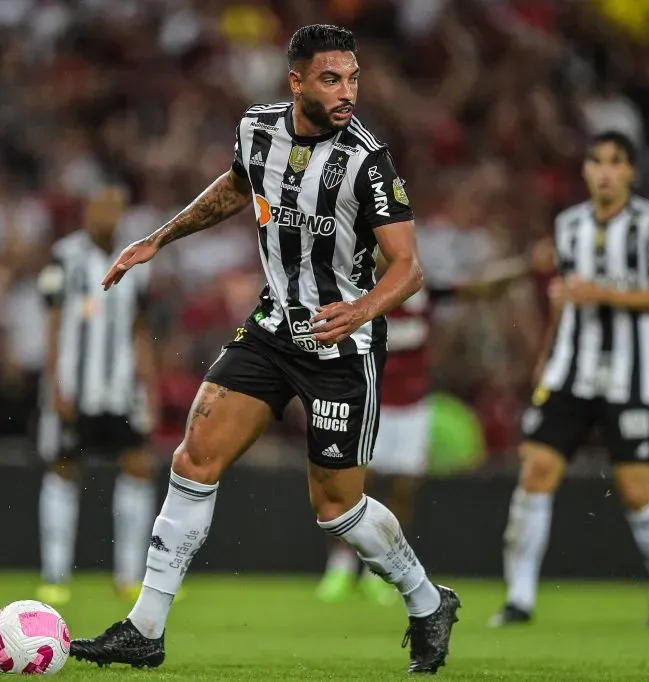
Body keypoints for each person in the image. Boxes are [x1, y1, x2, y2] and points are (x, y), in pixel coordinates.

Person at [69, 25, 461, 675]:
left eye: (353, 78)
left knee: (336, 511)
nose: (346, 92)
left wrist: (359, 310)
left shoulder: (368, 161)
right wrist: (159, 239)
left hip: (344, 344)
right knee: (194, 459)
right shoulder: (258, 130)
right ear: (297, 81)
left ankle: (426, 601)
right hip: (276, 326)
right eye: (332, 79)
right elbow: (236, 187)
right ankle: (145, 628)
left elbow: (409, 268)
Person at [489, 131, 649, 627]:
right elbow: (563, 302)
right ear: (585, 170)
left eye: (615, 162)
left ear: (631, 173)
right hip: (568, 373)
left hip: (628, 377)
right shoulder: (568, 225)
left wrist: (597, 292)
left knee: (637, 489)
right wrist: (545, 355)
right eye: (595, 160)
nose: (604, 170)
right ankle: (520, 598)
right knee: (535, 472)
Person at [317, 255, 529, 605]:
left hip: (413, 408)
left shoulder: (422, 289)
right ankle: (339, 568)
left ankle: (381, 572)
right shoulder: (354, 291)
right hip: (370, 402)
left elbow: (482, 287)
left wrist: (526, 266)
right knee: (354, 488)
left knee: (402, 489)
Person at [35, 184, 158, 607]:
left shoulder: (138, 260)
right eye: (98, 207)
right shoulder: (64, 256)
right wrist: (54, 385)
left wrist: (150, 387)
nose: (104, 215)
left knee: (139, 466)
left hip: (120, 388)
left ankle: (128, 576)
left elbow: (140, 330)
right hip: (75, 386)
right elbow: (52, 323)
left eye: (112, 207)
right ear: (86, 212)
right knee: (65, 467)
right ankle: (54, 574)